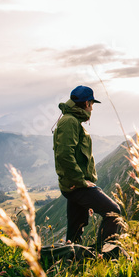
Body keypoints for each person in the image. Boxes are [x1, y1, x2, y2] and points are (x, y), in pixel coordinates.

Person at [53, 85, 121, 251]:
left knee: (77, 226)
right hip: (76, 184)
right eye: (91, 104)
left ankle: (69, 259)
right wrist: (81, 182)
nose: (92, 109)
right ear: (86, 104)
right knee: (114, 212)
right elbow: (64, 155)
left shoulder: (71, 120)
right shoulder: (70, 122)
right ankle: (104, 255)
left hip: (73, 184)